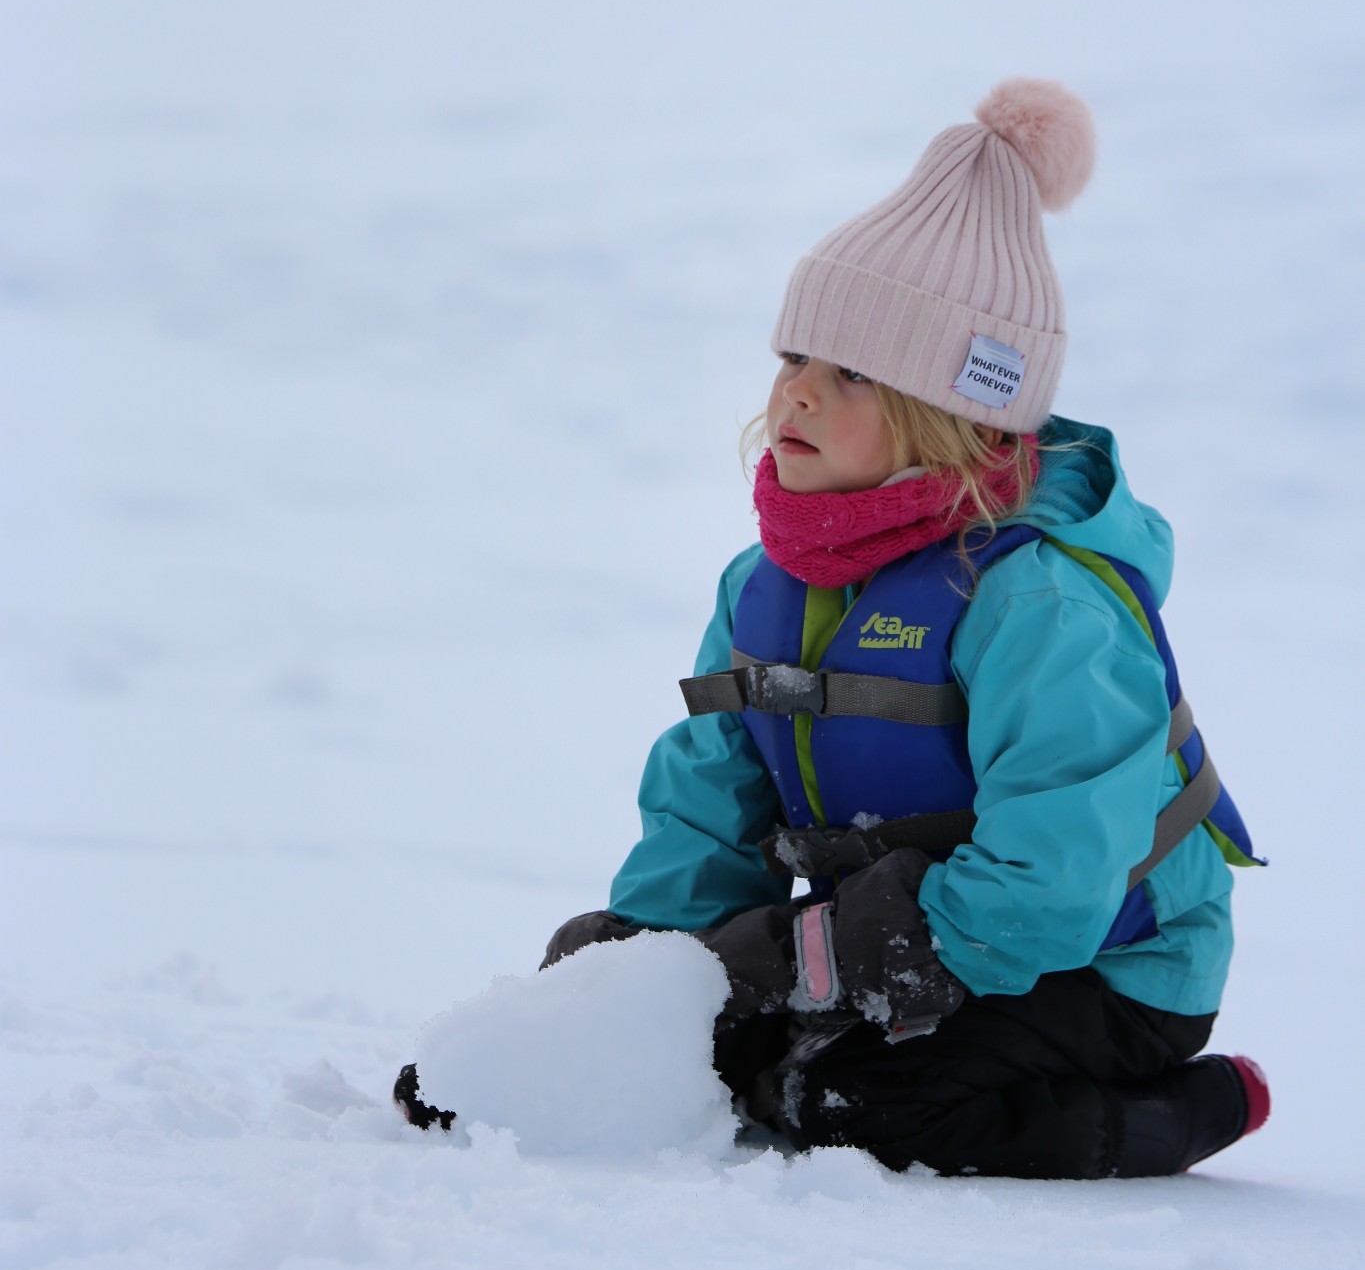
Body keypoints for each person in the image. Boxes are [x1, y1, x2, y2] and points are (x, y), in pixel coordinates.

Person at [398, 79, 1270, 1178]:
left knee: (852, 1100)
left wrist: (817, 957)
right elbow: (712, 797)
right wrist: (651, 971)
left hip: (1104, 965)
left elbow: (1050, 886)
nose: (796, 395)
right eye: (792, 359)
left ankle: (1191, 1105)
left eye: (850, 371)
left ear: (952, 413)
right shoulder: (768, 580)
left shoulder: (1041, 604)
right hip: (916, 948)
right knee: (729, 1051)